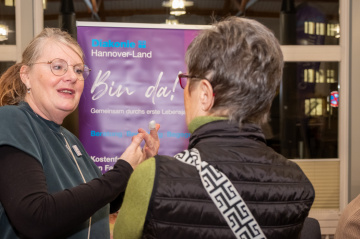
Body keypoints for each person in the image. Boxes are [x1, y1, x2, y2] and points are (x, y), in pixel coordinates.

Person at [113, 16, 315, 239]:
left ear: (205, 95)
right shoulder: (297, 182)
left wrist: (153, 173)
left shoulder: (151, 177)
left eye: (186, 79)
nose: (183, 90)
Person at [0, 28, 160, 239]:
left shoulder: (70, 140)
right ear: (26, 76)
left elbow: (103, 203)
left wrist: (135, 171)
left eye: (78, 70)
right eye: (58, 67)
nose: (71, 77)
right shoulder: (12, 120)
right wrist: (121, 172)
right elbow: (35, 216)